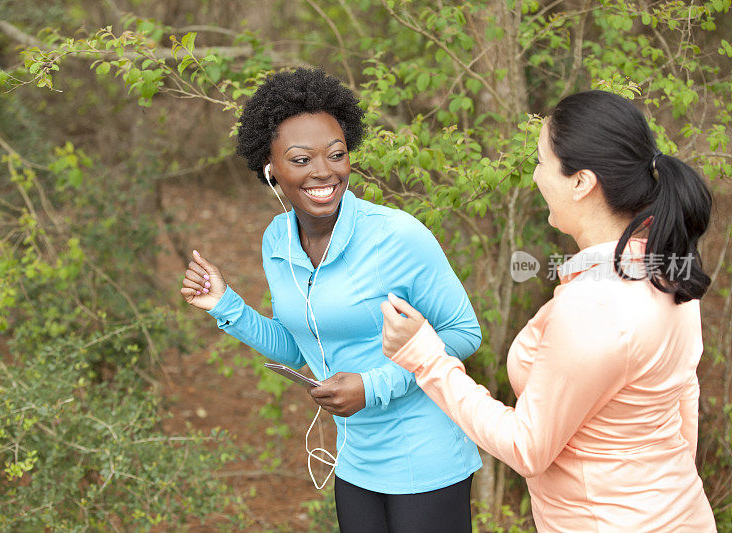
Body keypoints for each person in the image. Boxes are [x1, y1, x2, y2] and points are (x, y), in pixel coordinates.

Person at [381, 90, 717, 532]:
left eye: (541, 161)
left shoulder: (594, 306)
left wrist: (424, 356)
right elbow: (682, 397)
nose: (535, 177)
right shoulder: (669, 270)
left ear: (581, 182)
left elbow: (527, 448)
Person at [180, 68, 482, 532]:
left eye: (336, 155)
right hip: (356, 463)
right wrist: (227, 306)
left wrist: (372, 386)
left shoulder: (396, 235)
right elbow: (298, 347)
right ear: (271, 167)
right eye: (301, 159)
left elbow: (463, 332)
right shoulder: (276, 241)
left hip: (424, 458)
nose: (324, 172)